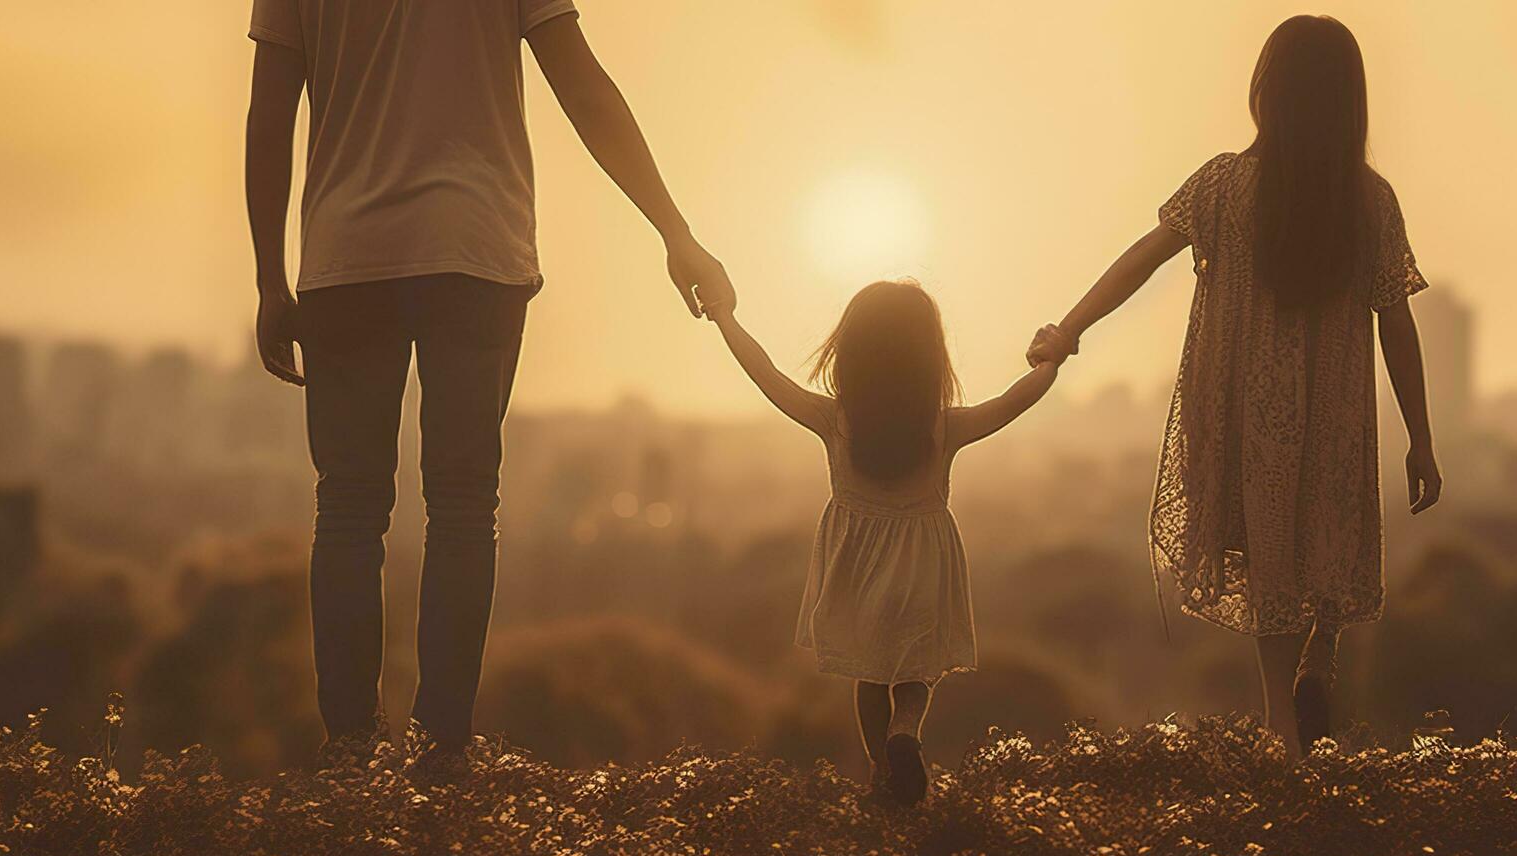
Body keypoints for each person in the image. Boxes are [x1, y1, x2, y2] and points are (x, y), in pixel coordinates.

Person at [243, 0, 735, 781]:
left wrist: (271, 277)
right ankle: (442, 755)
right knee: (465, 505)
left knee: (347, 507)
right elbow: (583, 86)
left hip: (347, 258)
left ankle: (349, 757)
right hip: (475, 252)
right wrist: (674, 231)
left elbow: (269, 114)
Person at [1027, 15, 1442, 749]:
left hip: (1249, 413)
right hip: (1336, 413)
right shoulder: (1370, 200)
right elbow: (1397, 325)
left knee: (1269, 561)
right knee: (1332, 535)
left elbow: (1141, 260)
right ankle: (1324, 652)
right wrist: (1421, 439)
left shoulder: (1223, 186)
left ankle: (1283, 729)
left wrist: (1069, 329)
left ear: (1265, 93)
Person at [710, 281, 1065, 805]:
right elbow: (1013, 402)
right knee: (917, 670)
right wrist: (1049, 362)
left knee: (870, 674)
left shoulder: (835, 420)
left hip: (856, 567)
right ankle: (906, 733)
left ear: (850, 353)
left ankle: (883, 774)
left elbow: (766, 375)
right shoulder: (944, 428)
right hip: (924, 565)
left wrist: (725, 318)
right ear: (930, 359)